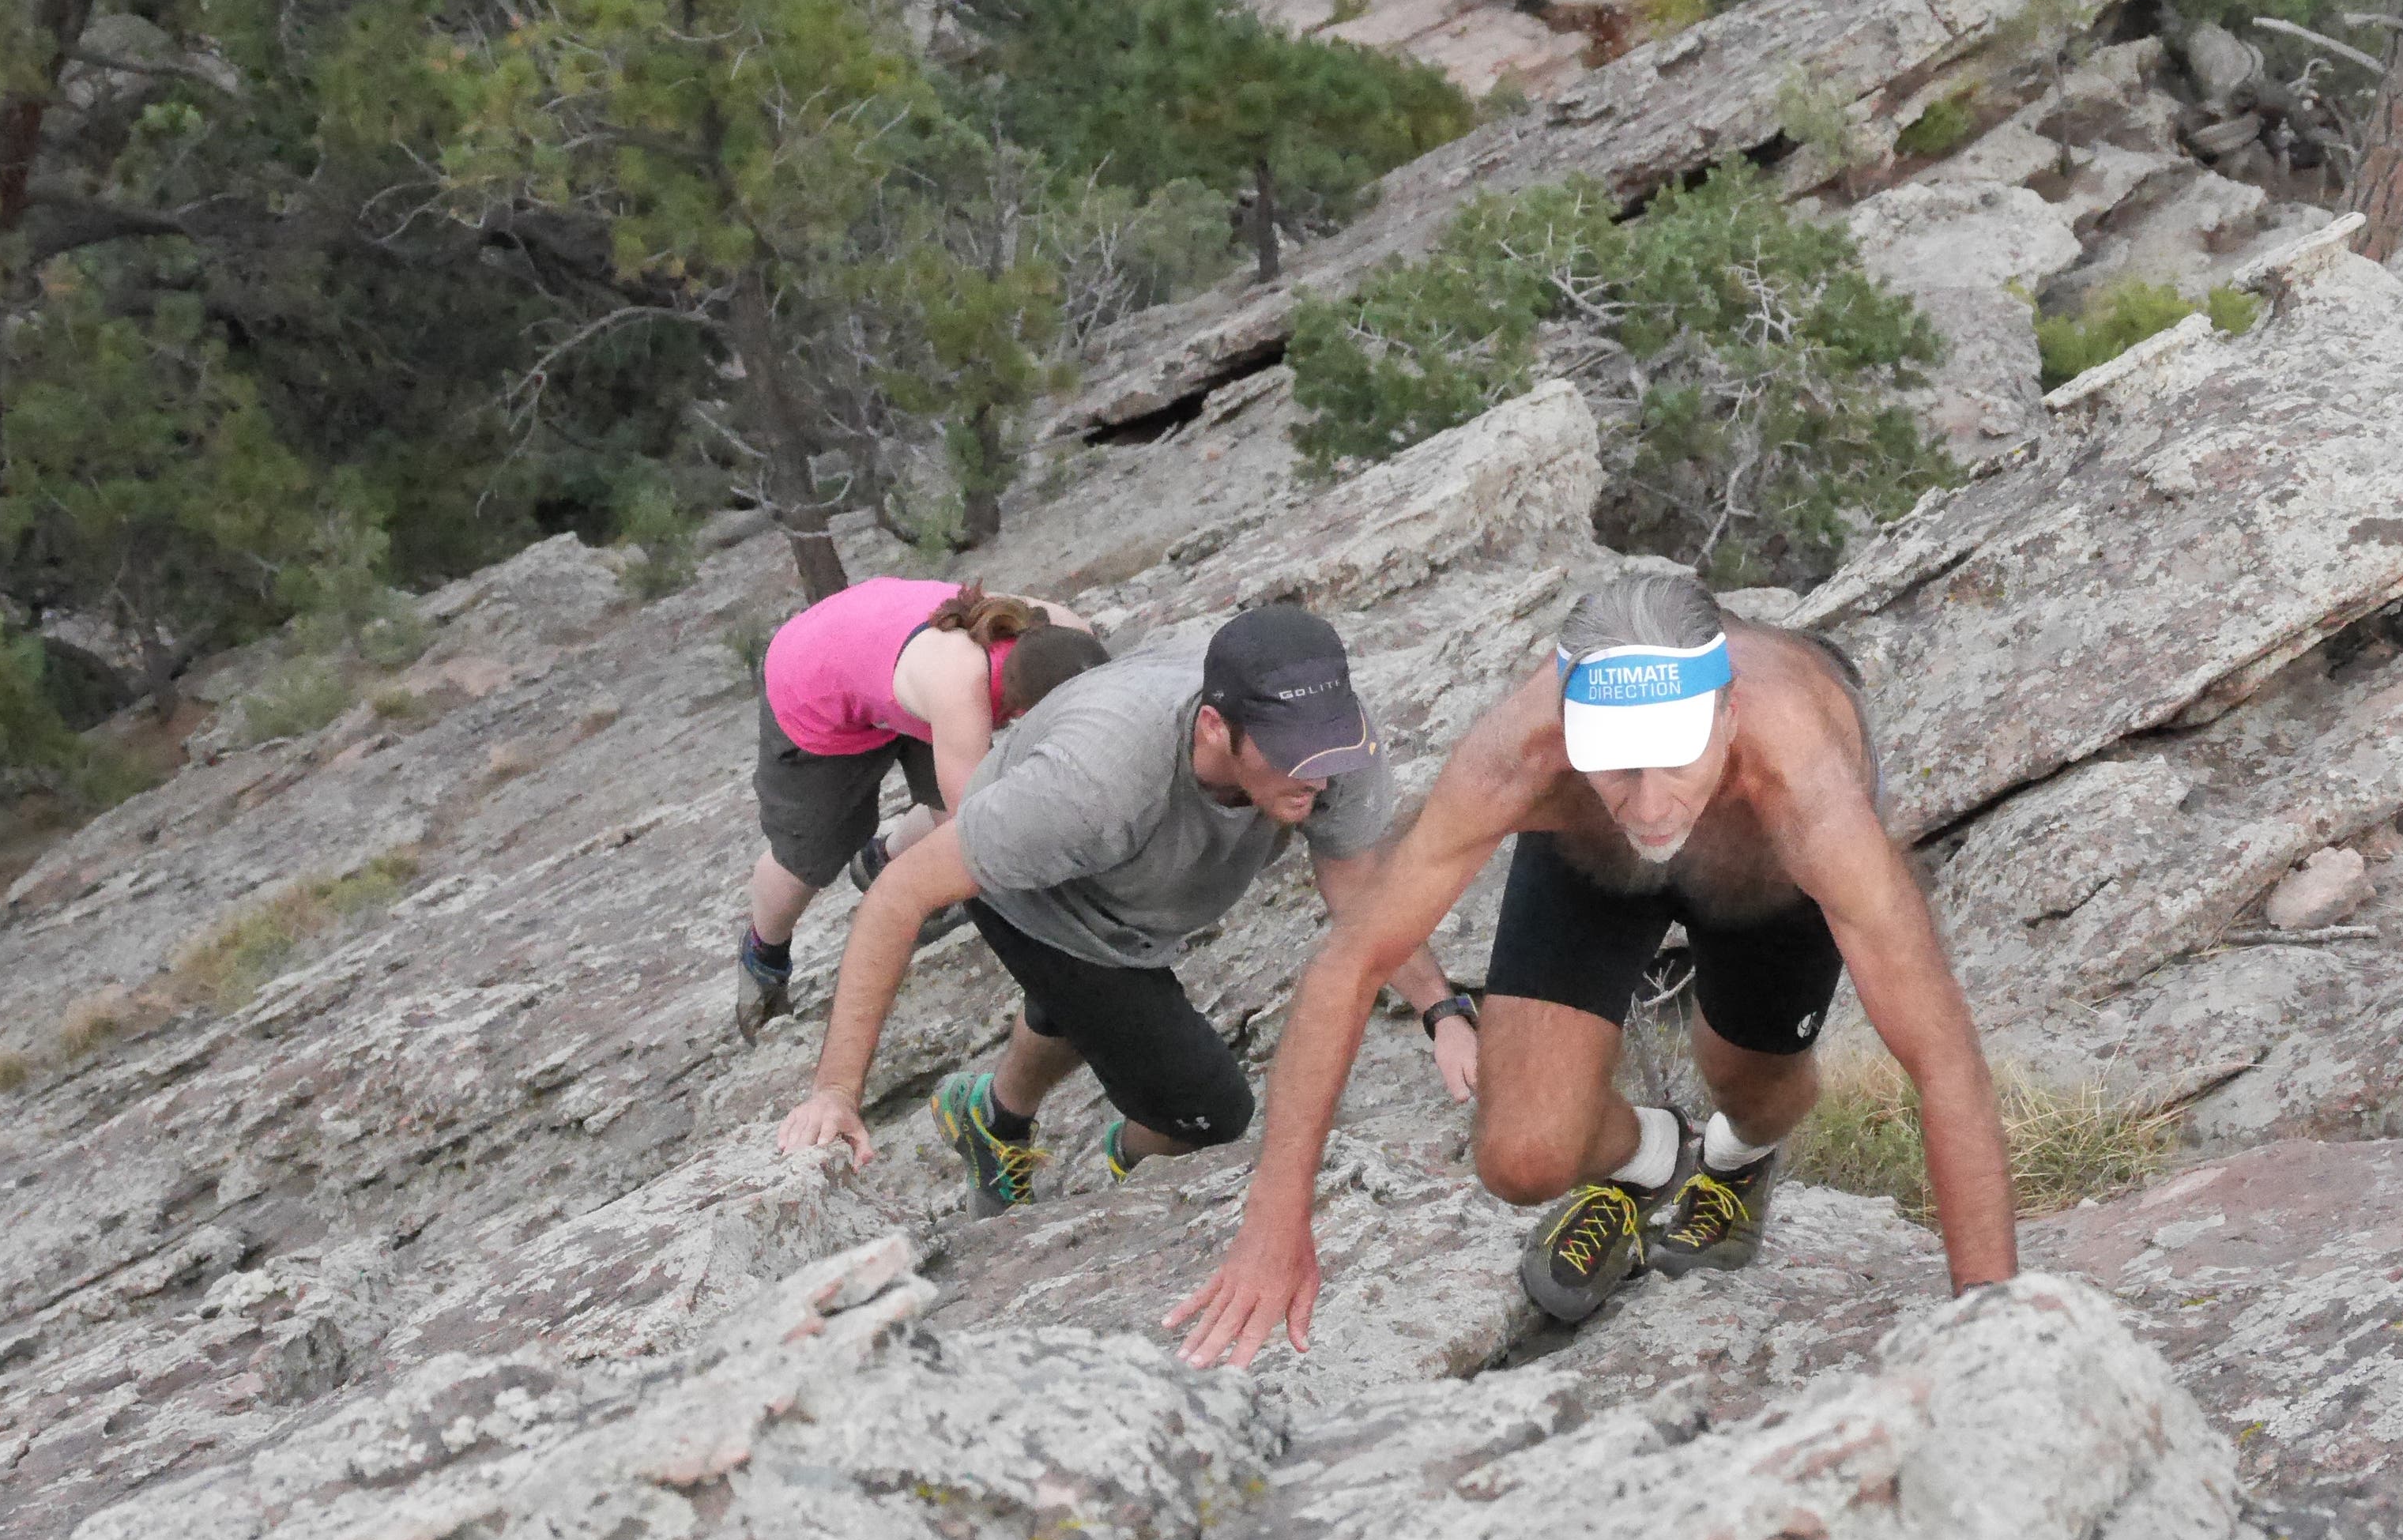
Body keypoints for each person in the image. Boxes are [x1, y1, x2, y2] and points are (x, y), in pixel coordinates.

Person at [1169, 569, 2015, 1369]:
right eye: (1616, 763)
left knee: (1753, 1086)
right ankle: (1651, 1160)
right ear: (1570, 733)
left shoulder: (1805, 777)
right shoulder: (1525, 753)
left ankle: (1738, 1158)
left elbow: (1940, 1052)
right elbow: (1350, 964)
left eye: (1675, 758)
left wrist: (1994, 1339)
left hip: (1763, 868)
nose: (1650, 804)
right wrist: (1275, 1224)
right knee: (1522, 1157)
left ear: (1729, 716)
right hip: (1590, 856)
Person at [774, 603, 1480, 1213]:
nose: (1319, 776)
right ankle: (1132, 1161)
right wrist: (836, 1092)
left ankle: (992, 1119)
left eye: (1328, 748)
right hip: (1033, 895)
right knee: (1208, 1109)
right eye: (1293, 754)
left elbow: (1361, 891)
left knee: (1092, 1015)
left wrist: (1443, 1012)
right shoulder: (1094, 786)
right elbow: (900, 892)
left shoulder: (1332, 746)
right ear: (1214, 726)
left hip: (1133, 892)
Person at [739, 577, 1105, 1039]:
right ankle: (763, 955)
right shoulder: (961, 687)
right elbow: (976, 826)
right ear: (1016, 709)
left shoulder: (1071, 637)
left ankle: (881, 862)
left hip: (887, 647)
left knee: (964, 797)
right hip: (814, 680)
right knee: (812, 854)